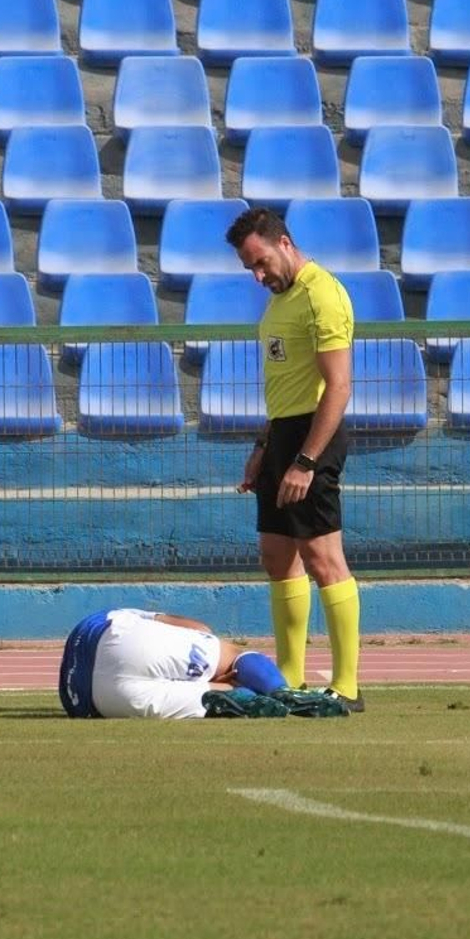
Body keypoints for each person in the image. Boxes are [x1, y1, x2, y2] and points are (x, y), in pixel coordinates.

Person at [224, 207, 363, 713]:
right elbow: (283, 387)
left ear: (283, 242)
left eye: (261, 263)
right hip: (283, 434)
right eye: (250, 270)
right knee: (276, 556)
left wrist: (306, 459)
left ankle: (347, 685)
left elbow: (339, 387)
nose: (259, 276)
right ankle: (291, 680)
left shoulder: (322, 294)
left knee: (323, 558)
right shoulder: (277, 304)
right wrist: (264, 449)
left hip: (314, 435)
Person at [58, 608, 348, 720]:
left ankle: (245, 699)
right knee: (232, 655)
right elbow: (202, 629)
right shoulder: (135, 615)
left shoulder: (120, 615)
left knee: (212, 696)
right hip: (117, 641)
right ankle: (280, 690)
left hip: (90, 699)